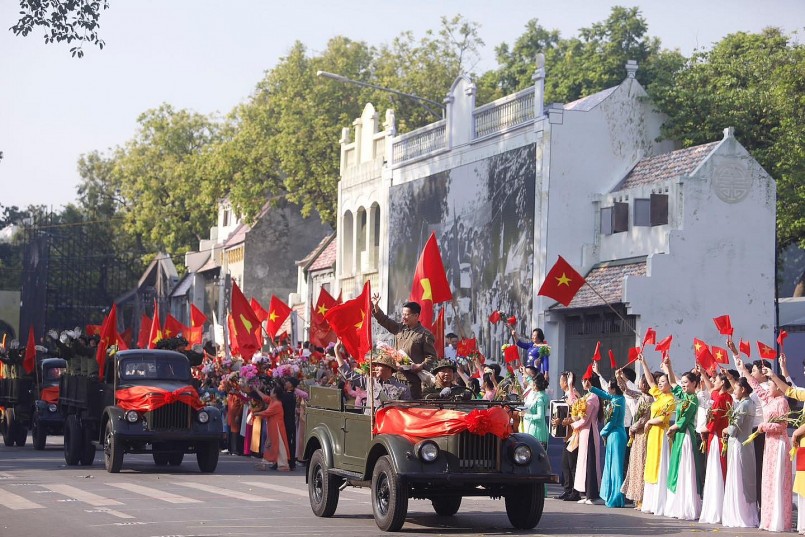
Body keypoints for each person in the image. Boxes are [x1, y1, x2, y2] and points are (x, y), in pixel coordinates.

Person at [737, 356, 791, 532]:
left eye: (773, 385)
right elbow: (756, 387)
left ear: (779, 387)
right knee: (768, 481)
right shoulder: (769, 400)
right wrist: (744, 370)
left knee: (777, 481)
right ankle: (767, 520)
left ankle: (778, 520)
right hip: (770, 444)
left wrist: (763, 426)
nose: (769, 388)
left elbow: (783, 426)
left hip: (779, 444)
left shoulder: (782, 402)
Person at [372, 296, 437, 399]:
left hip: (412, 380)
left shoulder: (425, 334)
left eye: (407, 315)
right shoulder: (399, 328)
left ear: (416, 315)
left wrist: (421, 365)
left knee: (410, 408)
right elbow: (385, 320)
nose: (403, 317)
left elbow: (432, 357)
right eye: (403, 314)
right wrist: (376, 306)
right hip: (395, 378)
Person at [663, 361, 704, 521]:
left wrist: (672, 428)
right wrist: (669, 366)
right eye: (684, 382)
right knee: (676, 468)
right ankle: (676, 504)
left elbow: (684, 420)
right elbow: (673, 383)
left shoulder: (693, 399)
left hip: (685, 435)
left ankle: (686, 506)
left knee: (684, 468)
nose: (684, 385)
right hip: (679, 434)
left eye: (687, 382)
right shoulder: (684, 395)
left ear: (694, 383)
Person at [638, 353, 674, 516]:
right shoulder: (658, 395)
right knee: (651, 465)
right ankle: (650, 502)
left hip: (661, 434)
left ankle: (660, 503)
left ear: (669, 384)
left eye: (663, 382)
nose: (659, 384)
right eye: (660, 382)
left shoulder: (670, 400)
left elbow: (663, 418)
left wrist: (649, 422)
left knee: (660, 466)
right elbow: (650, 381)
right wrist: (644, 362)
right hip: (652, 435)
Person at [721, 376, 758, 528]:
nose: (733, 391)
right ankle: (745, 513)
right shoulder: (750, 403)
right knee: (745, 478)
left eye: (735, 388)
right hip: (745, 445)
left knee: (739, 479)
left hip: (738, 445)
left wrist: (725, 429)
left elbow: (735, 429)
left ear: (743, 389)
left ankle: (739, 514)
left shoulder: (744, 405)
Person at [698, 370, 733, 524]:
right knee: (720, 470)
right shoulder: (728, 397)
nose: (714, 383)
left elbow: (714, 421)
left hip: (717, 437)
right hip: (720, 437)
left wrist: (704, 429)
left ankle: (716, 509)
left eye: (716, 380)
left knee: (716, 471)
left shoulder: (721, 399)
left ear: (723, 383)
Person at [617, 367, 653, 510]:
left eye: (641, 381)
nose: (639, 383)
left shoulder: (649, 399)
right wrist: (619, 377)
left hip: (642, 434)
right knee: (635, 465)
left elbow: (644, 418)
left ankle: (642, 498)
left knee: (642, 465)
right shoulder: (640, 396)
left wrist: (633, 427)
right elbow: (626, 390)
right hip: (636, 435)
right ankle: (637, 497)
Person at [589, 377, 627, 508]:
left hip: (616, 435)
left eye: (609, 387)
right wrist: (591, 388)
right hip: (614, 435)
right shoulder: (618, 399)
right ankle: (611, 495)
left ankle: (616, 498)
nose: (608, 389)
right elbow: (605, 395)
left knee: (616, 468)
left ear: (614, 389)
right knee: (611, 466)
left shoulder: (616, 403)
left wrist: (602, 432)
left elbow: (612, 421)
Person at [573, 373, 602, 505]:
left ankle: (592, 493)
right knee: (583, 462)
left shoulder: (593, 397)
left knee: (590, 462)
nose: (583, 382)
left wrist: (573, 424)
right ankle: (585, 493)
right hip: (584, 432)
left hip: (589, 431)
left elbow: (585, 419)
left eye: (585, 380)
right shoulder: (587, 396)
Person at [553, 371, 581, 501]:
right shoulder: (565, 395)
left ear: (566, 382)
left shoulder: (574, 395)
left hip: (573, 435)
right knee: (565, 464)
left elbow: (577, 413)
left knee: (572, 464)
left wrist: (564, 421)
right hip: (566, 436)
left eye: (561, 380)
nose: (559, 383)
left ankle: (575, 492)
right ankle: (567, 489)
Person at [253, 385, 291, 471]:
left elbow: (267, 412)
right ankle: (274, 462)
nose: (270, 392)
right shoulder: (272, 401)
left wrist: (255, 413)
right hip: (273, 426)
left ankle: (283, 464)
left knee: (279, 445)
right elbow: (264, 397)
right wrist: (256, 390)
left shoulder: (277, 404)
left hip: (277, 427)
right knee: (273, 444)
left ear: (275, 394)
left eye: (272, 391)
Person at [520, 369, 550, 449]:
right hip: (536, 431)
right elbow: (530, 381)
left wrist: (525, 415)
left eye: (532, 385)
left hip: (537, 433)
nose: (531, 386)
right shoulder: (542, 394)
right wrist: (526, 374)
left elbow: (540, 417)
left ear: (536, 386)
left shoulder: (539, 398)